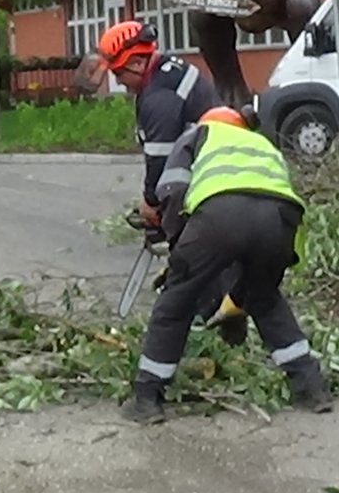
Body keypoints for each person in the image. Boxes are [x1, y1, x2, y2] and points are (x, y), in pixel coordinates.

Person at [122, 105, 333, 424]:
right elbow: (257, 205)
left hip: (220, 215)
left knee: (176, 302)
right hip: (280, 221)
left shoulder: (197, 134)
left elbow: (172, 189)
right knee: (265, 298)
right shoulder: (262, 144)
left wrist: (174, 239)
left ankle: (147, 397)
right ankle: (311, 388)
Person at [96, 20, 246, 339]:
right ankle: (219, 305)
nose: (118, 81)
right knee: (205, 245)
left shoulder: (159, 97)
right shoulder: (168, 68)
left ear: (136, 62)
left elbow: (161, 161)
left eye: (119, 73)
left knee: (194, 248)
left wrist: (151, 203)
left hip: (211, 171)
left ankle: (207, 315)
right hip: (217, 162)